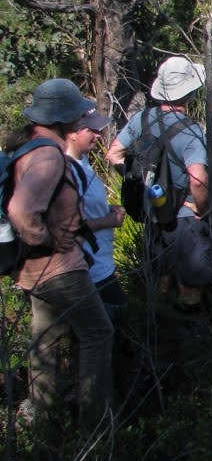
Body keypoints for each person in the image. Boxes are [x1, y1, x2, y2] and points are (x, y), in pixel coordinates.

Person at [6, 79, 113, 423]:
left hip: (36, 270)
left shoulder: (29, 148)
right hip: (59, 267)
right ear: (65, 118)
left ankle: (45, 421)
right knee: (99, 333)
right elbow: (21, 211)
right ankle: (92, 421)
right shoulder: (48, 156)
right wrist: (47, 240)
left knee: (46, 343)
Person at [106, 56, 212, 310]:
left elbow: (113, 154)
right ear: (190, 92)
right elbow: (197, 177)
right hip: (185, 216)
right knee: (190, 285)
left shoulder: (141, 120)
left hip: (151, 212)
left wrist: (139, 181)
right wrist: (203, 207)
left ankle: (158, 329)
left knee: (159, 279)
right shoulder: (191, 131)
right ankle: (187, 336)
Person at [64, 108, 128, 322]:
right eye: (91, 130)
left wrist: (107, 209)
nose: (98, 135)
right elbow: (68, 224)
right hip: (89, 269)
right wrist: (108, 221)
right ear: (72, 133)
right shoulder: (66, 170)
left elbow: (84, 207)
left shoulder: (83, 162)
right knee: (111, 326)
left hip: (101, 264)